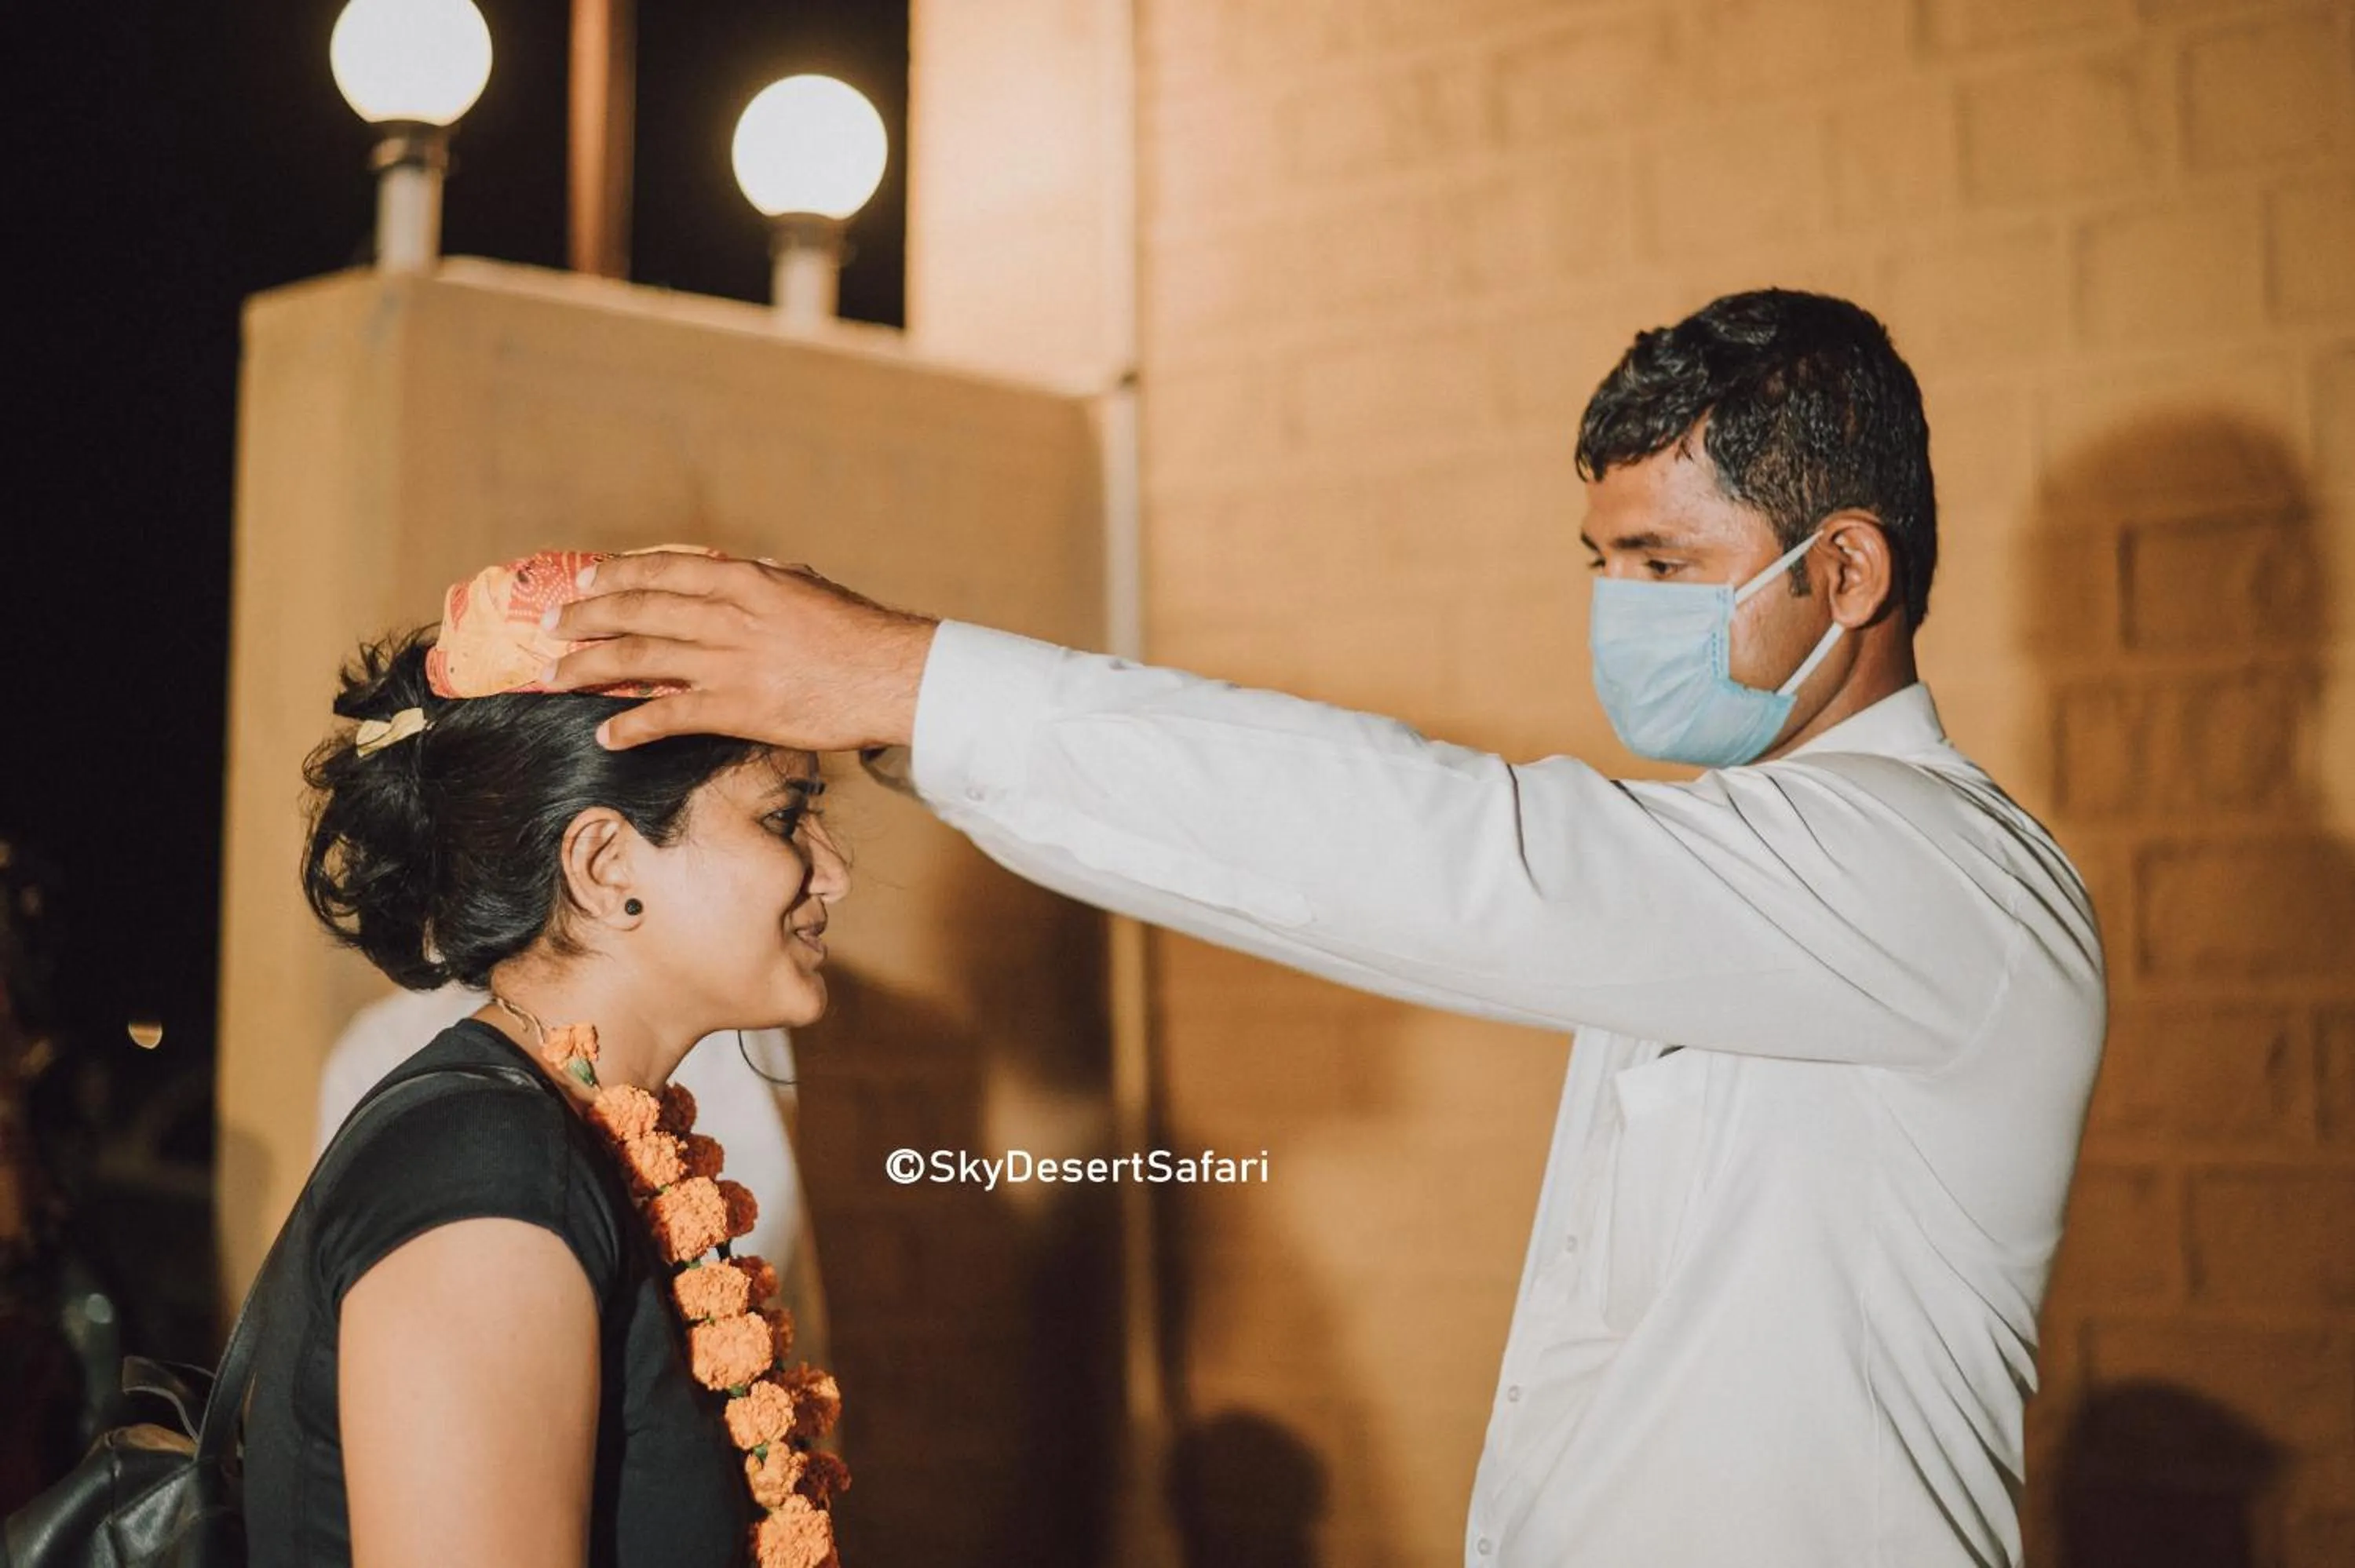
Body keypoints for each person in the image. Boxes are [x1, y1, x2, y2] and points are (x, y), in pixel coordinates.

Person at [541, 289, 2108, 1567]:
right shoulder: (1744, 859)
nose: (1617, 614)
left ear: (1845, 570)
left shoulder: (1940, 880)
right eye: (1603, 565)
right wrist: (912, 721)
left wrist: (911, 681)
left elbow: (1446, 854)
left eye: (1663, 568)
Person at [242, 573, 853, 1568]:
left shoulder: (578, 1132)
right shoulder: (486, 1173)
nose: (832, 871)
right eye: (785, 819)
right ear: (607, 866)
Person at [314, 986, 831, 1368]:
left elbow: (772, 1275)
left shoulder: (741, 1035)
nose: (828, 876)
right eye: (781, 831)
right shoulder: (383, 1048)